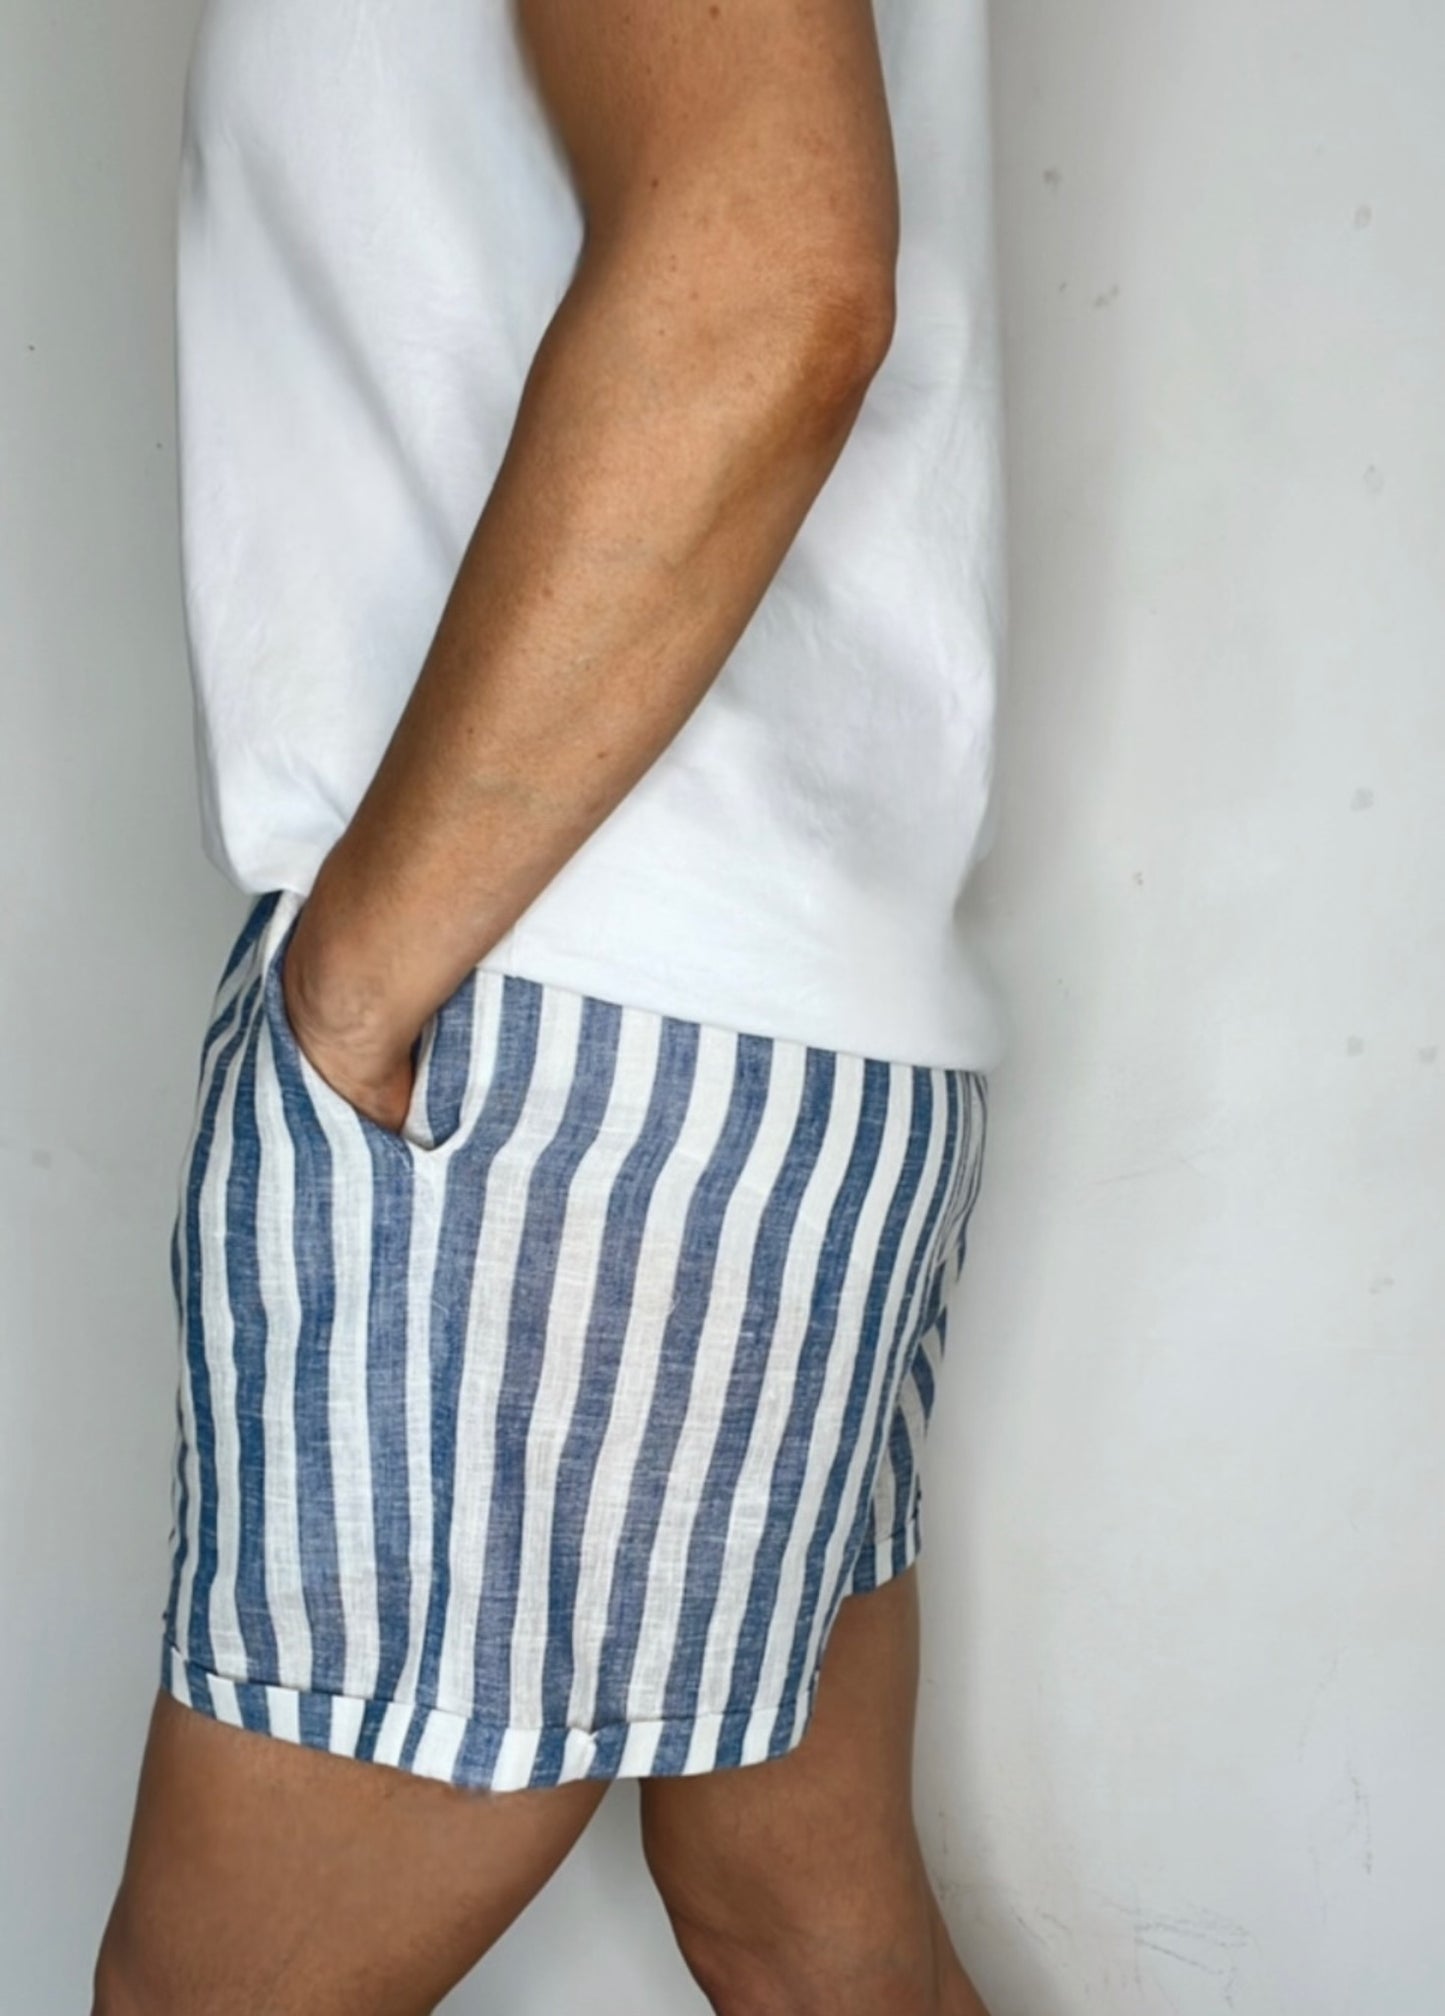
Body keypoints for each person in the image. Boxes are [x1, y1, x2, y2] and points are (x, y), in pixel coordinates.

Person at [94, 0, 1007, 2007]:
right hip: (773, 1026)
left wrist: (355, 983)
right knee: (806, 1929)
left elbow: (771, 270)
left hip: (529, 1040)